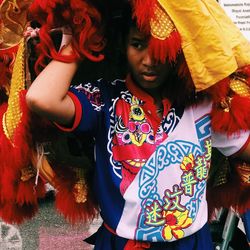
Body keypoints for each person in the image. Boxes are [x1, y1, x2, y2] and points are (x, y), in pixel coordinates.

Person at [26, 1, 250, 249]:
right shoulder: (104, 99)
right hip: (122, 243)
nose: (149, 60)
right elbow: (41, 99)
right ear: (123, 46)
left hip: (192, 242)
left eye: (159, 48)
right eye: (138, 44)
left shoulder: (203, 102)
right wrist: (81, 36)